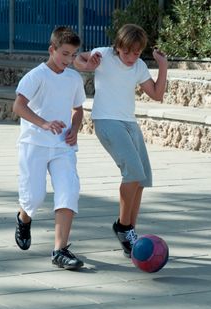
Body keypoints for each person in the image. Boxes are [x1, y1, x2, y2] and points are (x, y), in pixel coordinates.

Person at [74, 23, 168, 258]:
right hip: (107, 121)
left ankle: (130, 232)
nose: (131, 57)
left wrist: (163, 66)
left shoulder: (139, 66)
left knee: (143, 177)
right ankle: (123, 227)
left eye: (136, 53)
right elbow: (76, 59)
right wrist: (88, 65)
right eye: (127, 52)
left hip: (129, 124)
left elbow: (157, 94)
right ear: (118, 46)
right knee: (133, 173)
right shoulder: (104, 54)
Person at [13, 26, 86, 270]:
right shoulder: (36, 76)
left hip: (62, 145)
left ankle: (60, 250)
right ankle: (24, 218)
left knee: (69, 191)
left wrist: (75, 128)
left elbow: (78, 109)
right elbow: (19, 107)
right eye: (65, 54)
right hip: (33, 143)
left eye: (74, 55)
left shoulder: (74, 78)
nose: (69, 60)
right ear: (52, 49)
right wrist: (44, 123)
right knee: (34, 197)